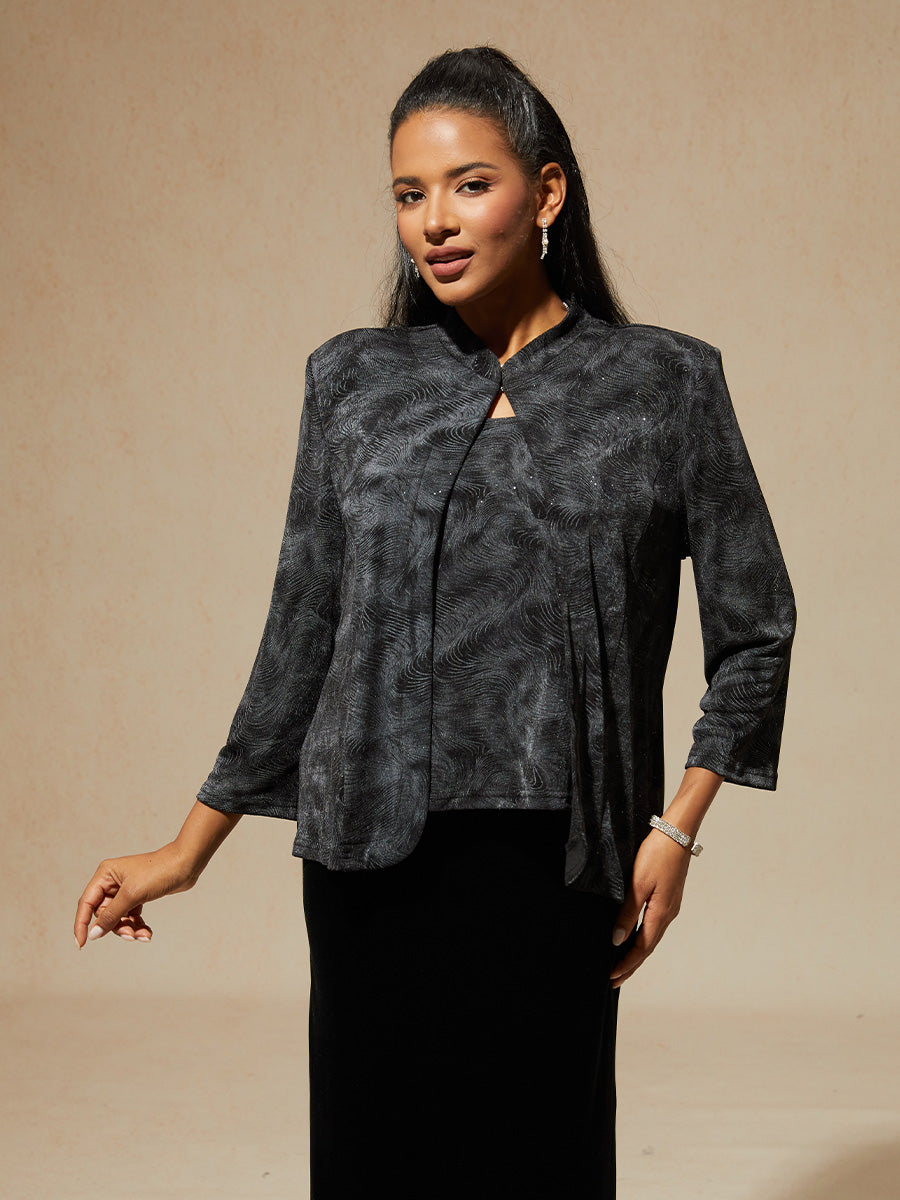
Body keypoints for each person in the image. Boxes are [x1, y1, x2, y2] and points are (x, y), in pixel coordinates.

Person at [74, 46, 796, 1199]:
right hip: (368, 865)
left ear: (546, 193)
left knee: (540, 1164)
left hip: (559, 867)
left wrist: (676, 830)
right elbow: (303, 627)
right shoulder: (352, 382)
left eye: (469, 184)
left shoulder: (663, 383)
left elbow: (757, 626)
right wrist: (188, 848)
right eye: (409, 194)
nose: (434, 222)